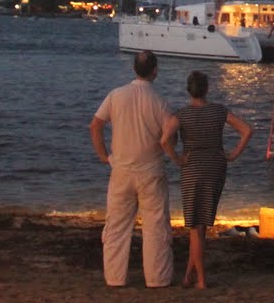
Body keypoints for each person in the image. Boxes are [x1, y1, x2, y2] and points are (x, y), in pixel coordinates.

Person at [90, 50, 174, 288]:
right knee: (155, 227)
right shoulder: (159, 100)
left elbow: (95, 125)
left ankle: (115, 278)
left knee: (116, 226)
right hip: (151, 170)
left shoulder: (117, 95)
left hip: (122, 169)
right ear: (155, 70)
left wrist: (104, 156)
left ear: (134, 69)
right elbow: (170, 136)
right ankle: (157, 278)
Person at [160, 71, 252, 289]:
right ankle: (188, 276)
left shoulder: (181, 115)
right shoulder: (219, 111)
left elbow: (164, 141)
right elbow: (247, 130)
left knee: (194, 225)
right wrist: (232, 154)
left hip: (192, 169)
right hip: (215, 167)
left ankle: (200, 279)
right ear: (207, 89)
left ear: (188, 90)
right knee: (200, 225)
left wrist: (178, 159)